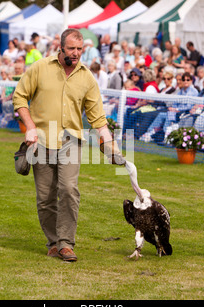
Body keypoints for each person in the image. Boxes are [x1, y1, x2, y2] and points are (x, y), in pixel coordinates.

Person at [12, 28, 120, 262]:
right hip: (40, 140)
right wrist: (29, 125)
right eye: (72, 48)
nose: (77, 53)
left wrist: (111, 144)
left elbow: (98, 118)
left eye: (80, 49)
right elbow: (19, 96)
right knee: (45, 197)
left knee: (69, 190)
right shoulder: (40, 68)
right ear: (61, 48)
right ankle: (53, 242)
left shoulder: (87, 78)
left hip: (71, 141)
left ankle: (66, 244)